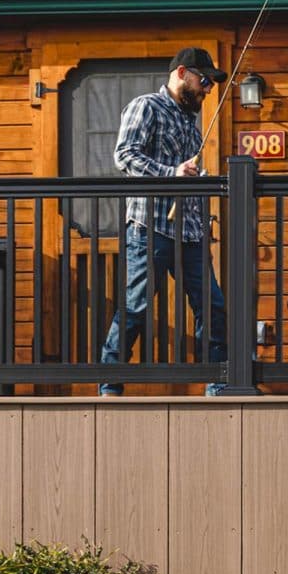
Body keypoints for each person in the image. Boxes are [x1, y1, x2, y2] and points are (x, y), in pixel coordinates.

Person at [99, 47, 229, 396]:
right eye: (204, 81)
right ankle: (109, 382)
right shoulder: (147, 106)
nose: (208, 89)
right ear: (182, 72)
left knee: (212, 307)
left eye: (211, 85)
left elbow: (185, 172)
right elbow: (124, 156)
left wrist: (198, 179)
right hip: (150, 227)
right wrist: (172, 172)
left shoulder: (190, 121)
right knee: (137, 306)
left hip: (189, 233)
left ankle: (219, 382)